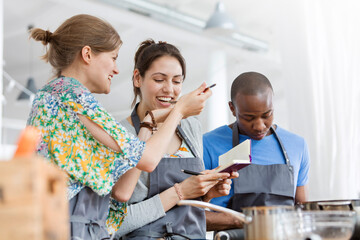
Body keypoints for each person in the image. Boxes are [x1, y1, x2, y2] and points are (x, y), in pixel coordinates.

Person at [27, 14, 212, 239]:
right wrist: (180, 110)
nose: (116, 69)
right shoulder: (74, 98)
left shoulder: (52, 94)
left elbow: (121, 192)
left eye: (176, 81)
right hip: (71, 226)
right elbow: (148, 159)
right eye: (113, 58)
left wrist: (152, 119)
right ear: (87, 54)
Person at [112, 39, 236, 240]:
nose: (170, 90)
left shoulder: (190, 126)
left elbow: (191, 207)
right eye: (159, 80)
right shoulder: (119, 134)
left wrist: (206, 191)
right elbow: (114, 223)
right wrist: (180, 192)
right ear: (137, 78)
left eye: (177, 81)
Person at [203, 72, 310, 231]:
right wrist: (244, 221)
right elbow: (190, 216)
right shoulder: (208, 144)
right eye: (248, 118)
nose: (259, 126)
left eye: (267, 115)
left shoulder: (297, 145)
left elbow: (302, 209)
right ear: (232, 109)